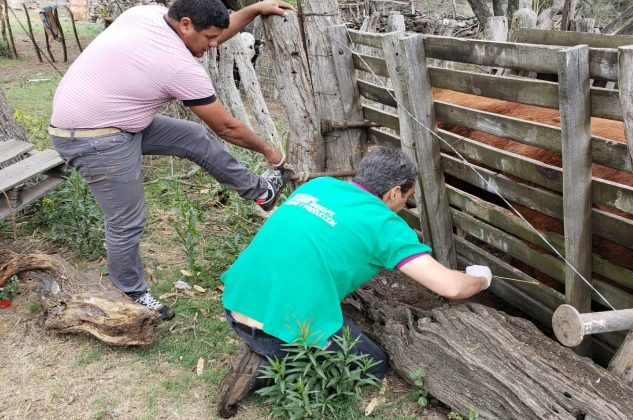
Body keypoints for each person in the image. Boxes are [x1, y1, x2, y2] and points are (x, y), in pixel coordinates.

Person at [48, 0, 295, 320]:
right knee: (126, 221)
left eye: (216, 37)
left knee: (192, 136)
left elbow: (213, 30)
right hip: (93, 138)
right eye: (209, 38)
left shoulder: (148, 13)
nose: (214, 44)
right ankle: (131, 294)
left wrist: (252, 10)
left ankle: (259, 191)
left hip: (110, 119)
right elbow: (226, 127)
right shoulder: (178, 66)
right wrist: (269, 151)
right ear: (186, 25)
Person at [220, 146, 493, 404]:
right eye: (408, 198)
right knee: (372, 364)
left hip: (233, 302)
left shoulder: (319, 186)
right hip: (275, 332)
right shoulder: (385, 225)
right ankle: (269, 369)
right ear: (394, 192)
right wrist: (481, 278)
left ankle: (269, 344)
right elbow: (451, 287)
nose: (404, 205)